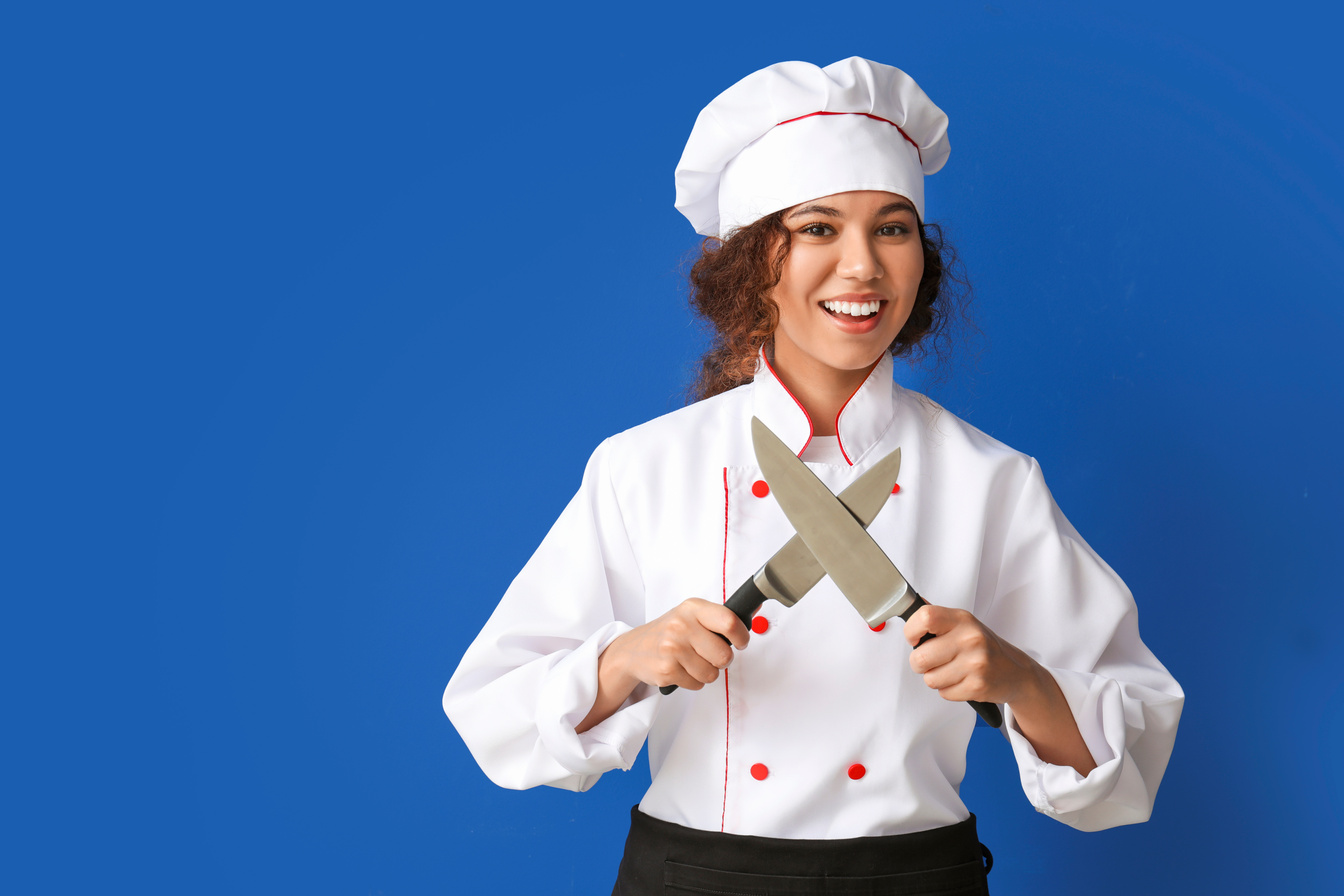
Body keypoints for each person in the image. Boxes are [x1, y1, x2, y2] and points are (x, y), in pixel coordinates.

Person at [443, 57, 1183, 895]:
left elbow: (1128, 764)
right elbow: (494, 713)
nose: (863, 266)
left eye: (893, 228)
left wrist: (1019, 680)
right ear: (754, 261)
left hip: (914, 879)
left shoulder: (990, 480)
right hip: (695, 878)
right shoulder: (644, 466)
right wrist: (627, 660)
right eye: (818, 228)